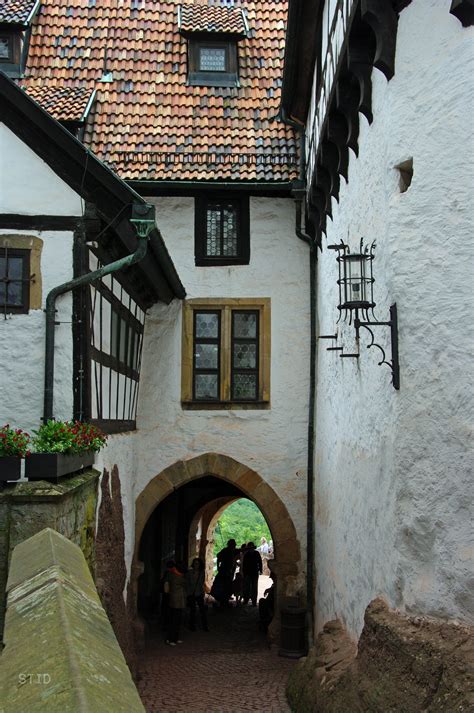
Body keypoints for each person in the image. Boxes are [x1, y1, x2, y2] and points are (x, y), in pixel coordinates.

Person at [165, 561, 187, 646]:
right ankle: (172, 639)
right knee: (176, 620)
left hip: (173, 600)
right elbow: (185, 583)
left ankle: (171, 638)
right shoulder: (179, 577)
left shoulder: (171, 574)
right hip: (178, 601)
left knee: (173, 620)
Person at [186, 557, 209, 631]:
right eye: (195, 563)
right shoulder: (189, 572)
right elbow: (187, 583)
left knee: (202, 610)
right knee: (193, 610)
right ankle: (192, 626)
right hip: (191, 593)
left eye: (198, 564)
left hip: (199, 593)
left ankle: (204, 626)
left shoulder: (202, 573)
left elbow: (201, 583)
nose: (196, 565)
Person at [214, 538, 237, 605]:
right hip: (224, 571)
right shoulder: (226, 551)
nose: (234, 546)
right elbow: (218, 557)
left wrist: (218, 567)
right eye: (233, 545)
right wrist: (218, 567)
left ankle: (224, 599)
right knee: (224, 585)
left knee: (227, 585)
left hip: (227, 571)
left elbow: (218, 557)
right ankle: (223, 599)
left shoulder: (230, 550)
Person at [242, 541, 262, 606]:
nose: (250, 549)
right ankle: (246, 600)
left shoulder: (256, 553)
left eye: (251, 548)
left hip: (254, 572)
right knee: (247, 587)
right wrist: (244, 573)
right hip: (248, 573)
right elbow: (244, 565)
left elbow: (260, 562)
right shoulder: (247, 555)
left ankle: (254, 601)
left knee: (254, 587)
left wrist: (260, 570)